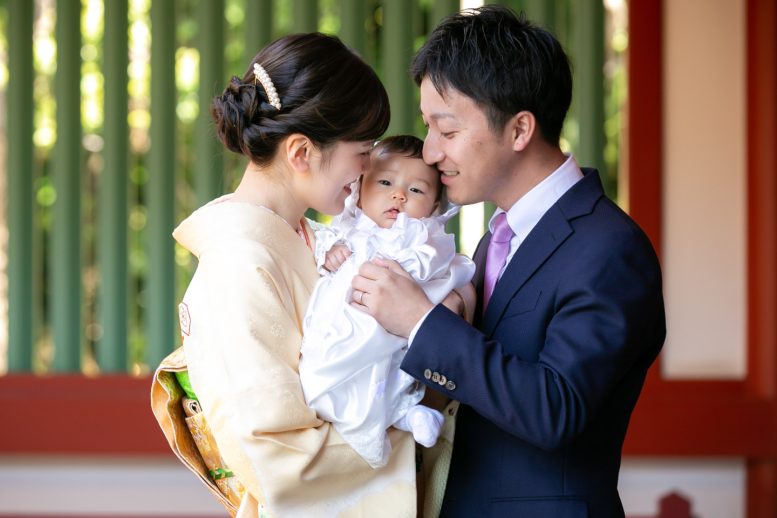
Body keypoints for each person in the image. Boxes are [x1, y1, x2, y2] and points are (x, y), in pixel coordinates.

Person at [350, 6, 666, 517]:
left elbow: (556, 409)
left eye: (446, 131)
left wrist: (420, 321)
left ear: (520, 130)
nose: (429, 152)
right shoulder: (493, 239)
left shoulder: (609, 248)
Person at [150, 33, 421, 518]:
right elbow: (274, 456)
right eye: (362, 152)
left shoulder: (319, 241)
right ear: (301, 152)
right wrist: (410, 442)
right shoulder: (238, 264)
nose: (366, 172)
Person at [299, 135, 475, 469]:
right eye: (384, 182)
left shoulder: (425, 239)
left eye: (417, 190)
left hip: (397, 331)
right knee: (333, 371)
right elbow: (324, 256)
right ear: (359, 188)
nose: (399, 195)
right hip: (348, 327)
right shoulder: (345, 230)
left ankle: (405, 412)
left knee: (395, 371)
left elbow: (439, 275)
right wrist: (332, 255)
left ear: (435, 204)